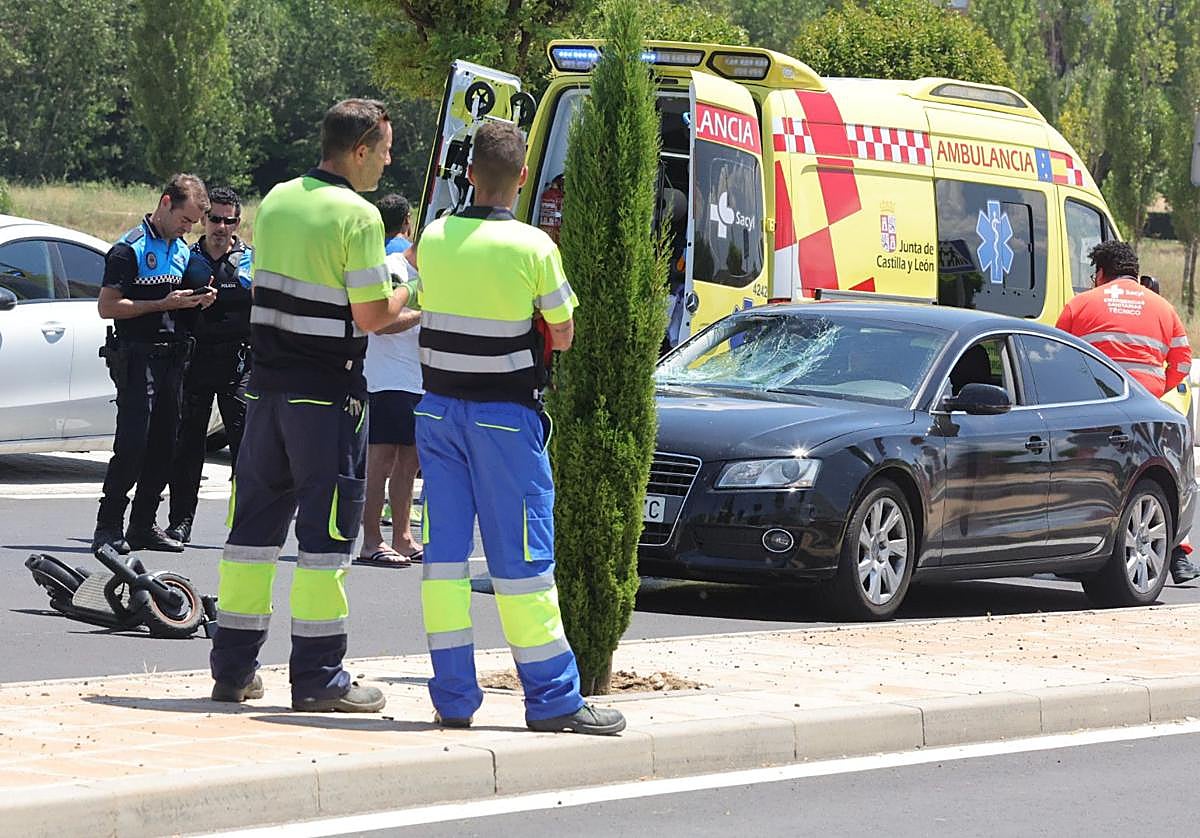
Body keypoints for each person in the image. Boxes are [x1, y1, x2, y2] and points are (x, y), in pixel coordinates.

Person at [412, 121, 625, 735]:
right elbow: (563, 332)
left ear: (469, 172)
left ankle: (453, 698)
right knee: (524, 564)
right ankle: (554, 700)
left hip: (437, 413)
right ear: (524, 177)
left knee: (444, 561)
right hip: (504, 419)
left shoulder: (433, 236)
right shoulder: (535, 248)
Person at [209, 98, 412, 712]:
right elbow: (374, 315)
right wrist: (413, 294)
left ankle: (233, 671)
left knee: (251, 538)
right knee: (326, 543)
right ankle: (321, 680)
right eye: (384, 148)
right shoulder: (360, 216)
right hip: (326, 397)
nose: (387, 160)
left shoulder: (276, 199)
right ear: (359, 150)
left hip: (266, 394)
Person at [1056, 241, 1198, 583]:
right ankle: (1177, 555)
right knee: (1161, 482)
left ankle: (1073, 551)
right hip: (1145, 409)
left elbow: (1053, 354)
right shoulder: (1163, 308)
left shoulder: (1080, 304)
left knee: (1085, 479)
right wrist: (1152, 390)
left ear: (1100, 273)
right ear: (1134, 272)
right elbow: (1181, 362)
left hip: (1094, 410)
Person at [92, 175, 216, 555]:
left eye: (194, 223)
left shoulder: (180, 250)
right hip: (137, 354)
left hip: (173, 357)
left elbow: (178, 302)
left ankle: (143, 525)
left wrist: (197, 301)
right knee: (132, 445)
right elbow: (107, 307)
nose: (189, 228)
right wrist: (163, 303)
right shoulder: (128, 249)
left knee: (166, 446)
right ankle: (108, 526)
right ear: (166, 203)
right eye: (185, 219)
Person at [166, 186, 254, 544]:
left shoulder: (250, 259)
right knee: (187, 449)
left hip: (238, 364)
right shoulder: (186, 257)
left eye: (228, 220)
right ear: (204, 218)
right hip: (196, 362)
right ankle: (180, 521)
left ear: (237, 222)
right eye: (214, 218)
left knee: (246, 450)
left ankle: (245, 523)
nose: (220, 226)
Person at [358, 198, 423, 567]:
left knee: (409, 461)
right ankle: (371, 539)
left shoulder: (435, 274)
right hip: (386, 378)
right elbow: (380, 322)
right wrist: (421, 314)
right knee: (380, 460)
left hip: (417, 379)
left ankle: (402, 536)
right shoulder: (393, 267)